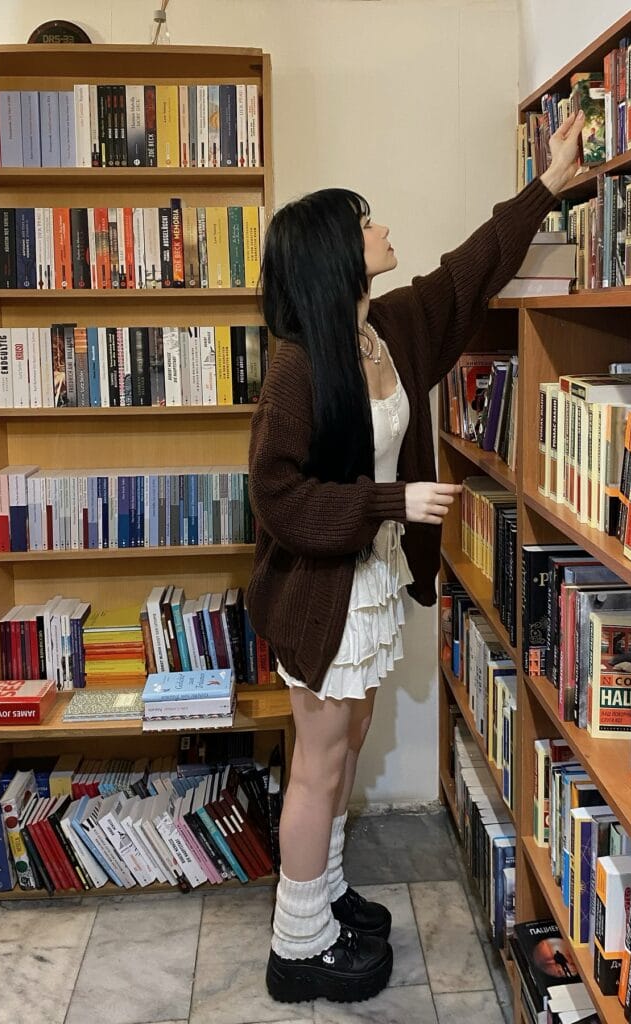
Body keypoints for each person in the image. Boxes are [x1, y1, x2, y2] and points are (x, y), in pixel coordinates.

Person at [247, 111, 585, 1005]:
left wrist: (547, 184)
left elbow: (467, 272)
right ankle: (296, 947)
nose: (382, 228)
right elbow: (277, 498)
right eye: (365, 222)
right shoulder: (295, 367)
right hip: (320, 597)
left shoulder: (387, 329)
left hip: (368, 583)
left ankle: (319, 897)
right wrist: (391, 503)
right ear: (335, 255)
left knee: (349, 739)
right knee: (319, 763)